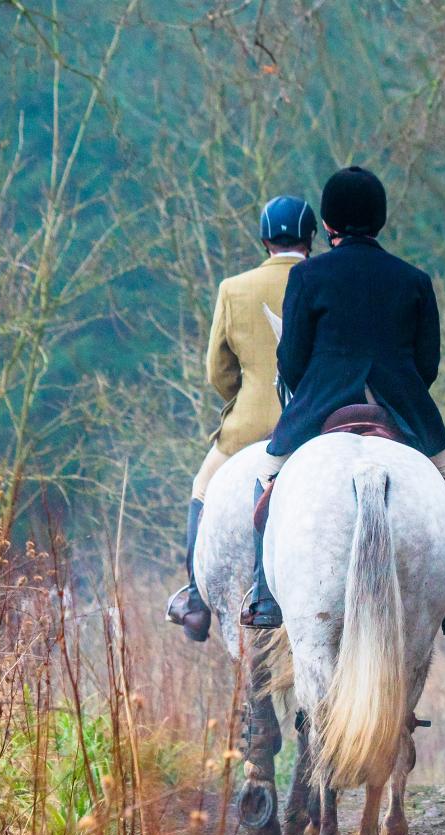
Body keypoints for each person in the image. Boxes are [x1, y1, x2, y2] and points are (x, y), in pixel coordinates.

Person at [240, 166, 445, 636]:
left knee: (266, 475)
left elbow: (290, 362)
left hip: (322, 404)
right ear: (381, 220)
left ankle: (266, 596)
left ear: (328, 224)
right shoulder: (413, 279)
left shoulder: (308, 276)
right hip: (400, 406)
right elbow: (427, 364)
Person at [166, 195, 316, 641]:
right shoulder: (321, 280)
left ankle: (196, 599)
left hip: (250, 427)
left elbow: (218, 370)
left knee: (202, 487)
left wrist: (246, 397)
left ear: (265, 238)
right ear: (311, 237)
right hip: (315, 421)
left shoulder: (234, 288)